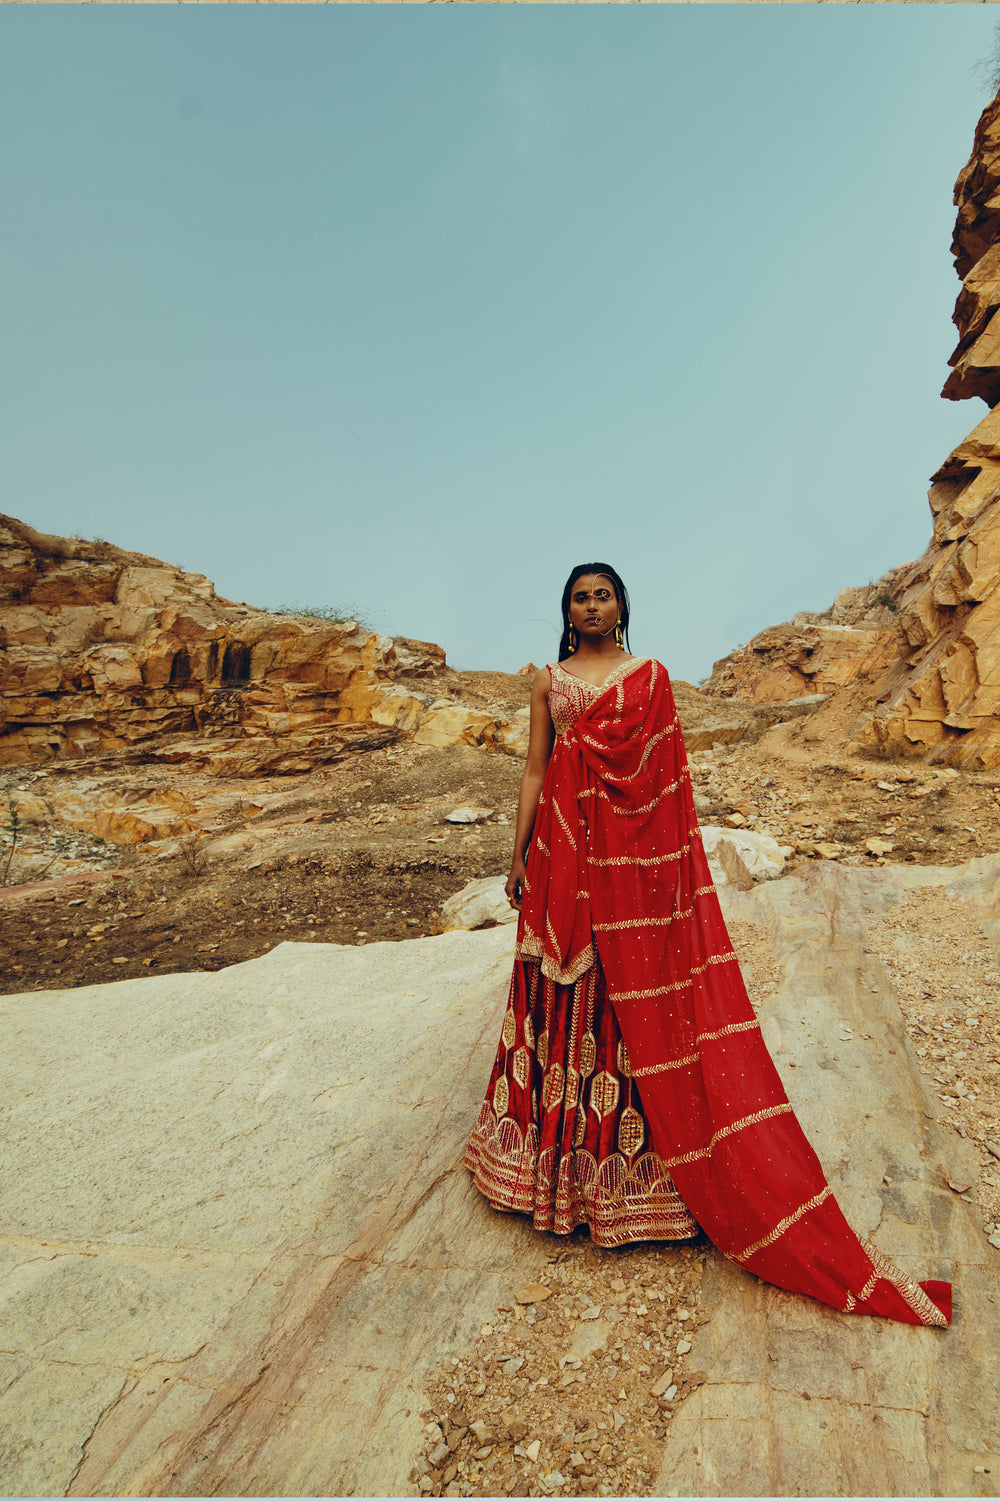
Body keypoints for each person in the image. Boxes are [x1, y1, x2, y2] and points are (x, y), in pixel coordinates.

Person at [465, 563, 951, 1328]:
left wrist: (660, 878)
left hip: (629, 867)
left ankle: (644, 1183)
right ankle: (549, 1176)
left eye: (602, 593)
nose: (591, 604)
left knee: (623, 1007)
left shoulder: (649, 679)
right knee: (560, 992)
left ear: (621, 603)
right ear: (565, 610)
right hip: (563, 858)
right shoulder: (548, 683)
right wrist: (517, 853)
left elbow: (665, 784)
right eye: (578, 596)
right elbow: (534, 768)